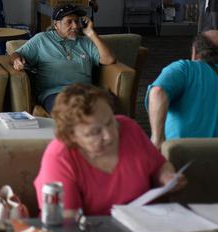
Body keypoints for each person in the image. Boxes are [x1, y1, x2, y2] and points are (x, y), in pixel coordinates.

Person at [33, 84, 186, 217]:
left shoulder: (128, 128)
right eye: (94, 132)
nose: (109, 135)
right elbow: (67, 220)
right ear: (71, 136)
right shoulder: (59, 156)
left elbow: (159, 165)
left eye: (110, 122)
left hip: (144, 225)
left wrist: (166, 177)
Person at [10, 4, 116, 113]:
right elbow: (16, 54)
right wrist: (16, 60)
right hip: (55, 94)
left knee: (104, 110)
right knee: (71, 112)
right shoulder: (41, 40)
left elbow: (109, 59)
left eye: (76, 21)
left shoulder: (86, 42)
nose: (75, 26)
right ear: (56, 25)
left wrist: (91, 33)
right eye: (69, 22)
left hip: (85, 92)